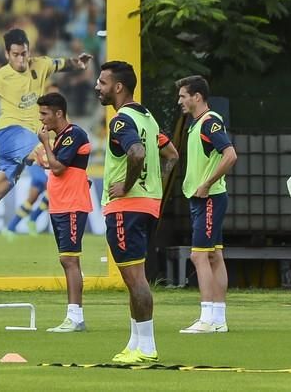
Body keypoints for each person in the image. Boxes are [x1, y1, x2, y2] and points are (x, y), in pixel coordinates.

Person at [0, 28, 92, 209]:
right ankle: (79, 182)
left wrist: (78, 63)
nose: (21, 59)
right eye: (15, 54)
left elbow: (61, 64)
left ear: (29, 51)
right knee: (44, 152)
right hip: (10, 133)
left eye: (24, 53)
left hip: (28, 138)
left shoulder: (41, 64)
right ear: (7, 54)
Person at [96, 60, 178, 363]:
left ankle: (147, 347)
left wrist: (129, 186)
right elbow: (171, 155)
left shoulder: (120, 121)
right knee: (136, 277)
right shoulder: (147, 118)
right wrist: (155, 189)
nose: (97, 87)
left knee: (135, 279)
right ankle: (135, 342)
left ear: (118, 87)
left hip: (126, 208)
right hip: (147, 206)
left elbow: (137, 152)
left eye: (102, 83)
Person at [175, 75, 237, 334]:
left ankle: (207, 317)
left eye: (183, 96)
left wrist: (207, 183)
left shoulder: (209, 122)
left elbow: (230, 155)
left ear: (196, 97)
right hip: (205, 197)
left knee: (198, 255)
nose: (179, 101)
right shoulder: (196, 123)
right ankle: (219, 319)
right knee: (213, 255)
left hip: (208, 198)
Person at [37, 92, 92, 332]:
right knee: (67, 260)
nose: (42, 119)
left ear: (59, 113)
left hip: (71, 205)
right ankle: (74, 316)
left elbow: (59, 168)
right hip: (60, 204)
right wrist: (47, 158)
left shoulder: (74, 134)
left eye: (44, 113)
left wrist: (46, 144)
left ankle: (75, 317)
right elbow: (58, 165)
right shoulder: (61, 137)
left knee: (69, 259)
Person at [1, 164, 49, 240]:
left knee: (31, 200)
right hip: (36, 163)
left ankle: (11, 227)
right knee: (49, 190)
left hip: (44, 168)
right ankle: (32, 219)